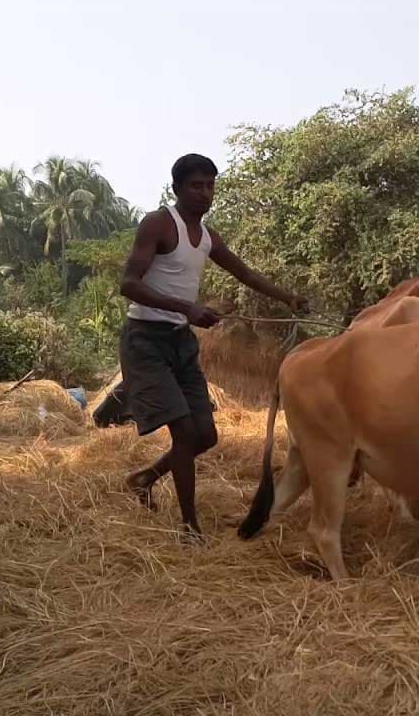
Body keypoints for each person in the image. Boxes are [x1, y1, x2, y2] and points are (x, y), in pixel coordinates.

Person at [118, 153, 306, 538]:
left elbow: (246, 273)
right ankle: (190, 528)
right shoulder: (158, 224)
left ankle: (144, 479)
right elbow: (129, 284)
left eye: (210, 185)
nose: (205, 193)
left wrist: (289, 298)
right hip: (146, 342)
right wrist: (186, 307)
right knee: (186, 434)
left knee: (207, 436)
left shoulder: (207, 237)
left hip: (180, 343)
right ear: (177, 189)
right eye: (196, 185)